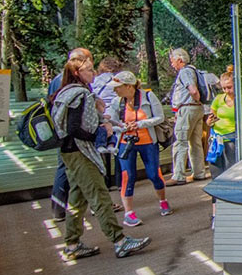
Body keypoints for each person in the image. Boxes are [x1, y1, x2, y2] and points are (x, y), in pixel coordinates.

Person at [50, 53, 150, 259]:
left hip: (69, 152)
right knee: (99, 195)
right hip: (81, 152)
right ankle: (119, 240)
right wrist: (101, 132)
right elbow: (75, 128)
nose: (93, 73)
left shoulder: (65, 92)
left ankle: (72, 242)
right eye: (89, 70)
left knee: (77, 198)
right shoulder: (80, 95)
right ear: (78, 73)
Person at [106, 71, 171, 227]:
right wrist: (121, 126)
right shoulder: (117, 101)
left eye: (118, 87)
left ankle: (163, 201)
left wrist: (140, 124)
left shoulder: (148, 96)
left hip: (148, 141)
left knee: (154, 173)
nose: (115, 90)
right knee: (127, 176)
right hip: (125, 142)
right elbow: (111, 120)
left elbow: (159, 117)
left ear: (129, 86)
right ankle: (129, 213)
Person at [48, 47, 92, 221]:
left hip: (63, 136)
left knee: (66, 170)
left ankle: (59, 209)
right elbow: (74, 122)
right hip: (74, 139)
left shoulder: (57, 81)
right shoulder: (75, 87)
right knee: (69, 170)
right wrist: (93, 135)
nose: (92, 71)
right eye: (89, 67)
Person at [207, 68, 242, 224]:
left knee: (232, 176)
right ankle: (216, 214)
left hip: (233, 141)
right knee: (216, 177)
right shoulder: (218, 100)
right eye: (224, 88)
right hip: (217, 141)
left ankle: (235, 210)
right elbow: (209, 120)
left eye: (230, 87)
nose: (227, 91)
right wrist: (210, 121)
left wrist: (240, 115)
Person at [169, 48, 206, 185]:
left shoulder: (185, 71)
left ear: (180, 60)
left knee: (181, 141)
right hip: (197, 108)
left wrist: (194, 99)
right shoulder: (194, 70)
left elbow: (193, 90)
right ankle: (199, 172)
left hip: (187, 108)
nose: (172, 64)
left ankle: (178, 175)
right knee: (195, 142)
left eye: (172, 61)